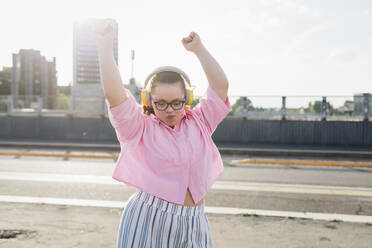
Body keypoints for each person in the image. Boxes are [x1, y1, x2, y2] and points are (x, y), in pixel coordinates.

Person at [92, 19, 231, 248]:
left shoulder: (199, 121)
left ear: (187, 99)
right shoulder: (138, 127)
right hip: (149, 220)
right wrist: (104, 46)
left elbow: (221, 87)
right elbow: (114, 93)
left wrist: (198, 49)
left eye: (177, 103)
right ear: (148, 100)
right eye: (161, 103)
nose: (170, 111)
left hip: (195, 221)